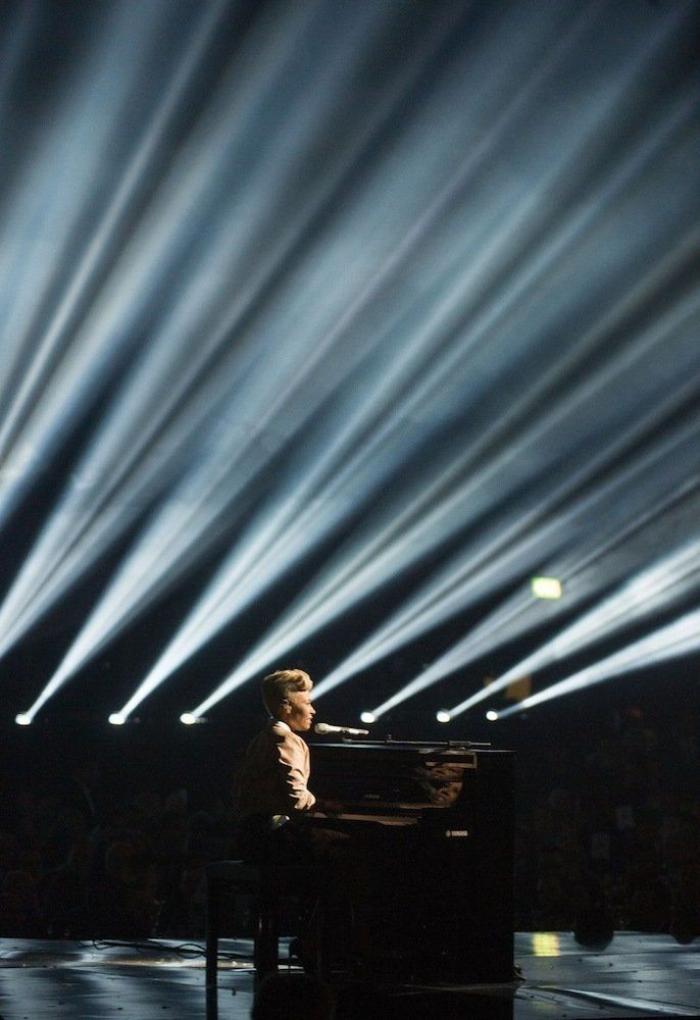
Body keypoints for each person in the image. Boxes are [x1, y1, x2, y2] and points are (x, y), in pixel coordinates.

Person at [234, 668, 322, 862]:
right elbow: (296, 799)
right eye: (307, 703)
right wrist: (322, 804)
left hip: (253, 835)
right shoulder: (286, 739)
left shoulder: (260, 738)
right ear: (286, 706)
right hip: (276, 841)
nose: (312, 710)